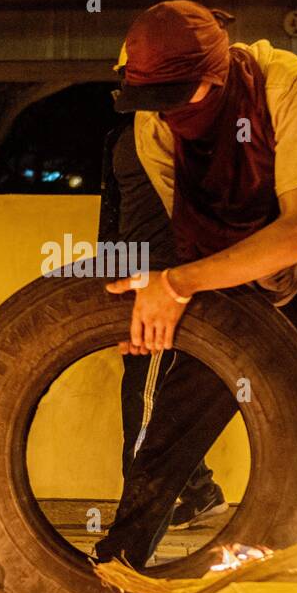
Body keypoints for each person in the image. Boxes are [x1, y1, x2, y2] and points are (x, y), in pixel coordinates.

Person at [98, 0, 297, 567]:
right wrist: (167, 307)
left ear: (213, 79)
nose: (163, 113)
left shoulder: (291, 90)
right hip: (243, 250)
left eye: (173, 97)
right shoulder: (153, 128)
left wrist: (179, 282)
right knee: (193, 382)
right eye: (151, 101)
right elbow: (193, 246)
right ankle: (119, 556)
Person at [91, 117, 228, 566]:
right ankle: (200, 490)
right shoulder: (118, 132)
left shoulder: (190, 125)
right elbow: (112, 210)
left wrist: (192, 275)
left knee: (143, 406)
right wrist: (107, 280)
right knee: (151, 398)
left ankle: (127, 544)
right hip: (134, 279)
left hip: (174, 280)